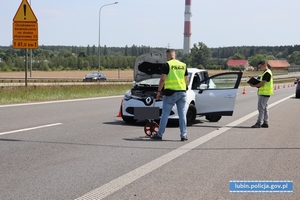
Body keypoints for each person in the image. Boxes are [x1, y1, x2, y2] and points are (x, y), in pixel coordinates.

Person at [151, 49, 189, 141]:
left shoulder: (167, 65)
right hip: (182, 92)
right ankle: (183, 135)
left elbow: (162, 80)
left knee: (165, 114)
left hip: (170, 93)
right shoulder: (183, 65)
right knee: (182, 114)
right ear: (174, 55)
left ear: (167, 56)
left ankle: (159, 134)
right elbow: (186, 80)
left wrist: (159, 92)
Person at [249, 60, 273, 128]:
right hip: (265, 92)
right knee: (265, 108)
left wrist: (254, 85)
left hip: (264, 93)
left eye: (260, 67)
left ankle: (259, 122)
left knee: (261, 108)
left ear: (264, 65)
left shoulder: (267, 73)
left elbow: (263, 82)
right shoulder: (266, 72)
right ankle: (265, 122)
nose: (259, 68)